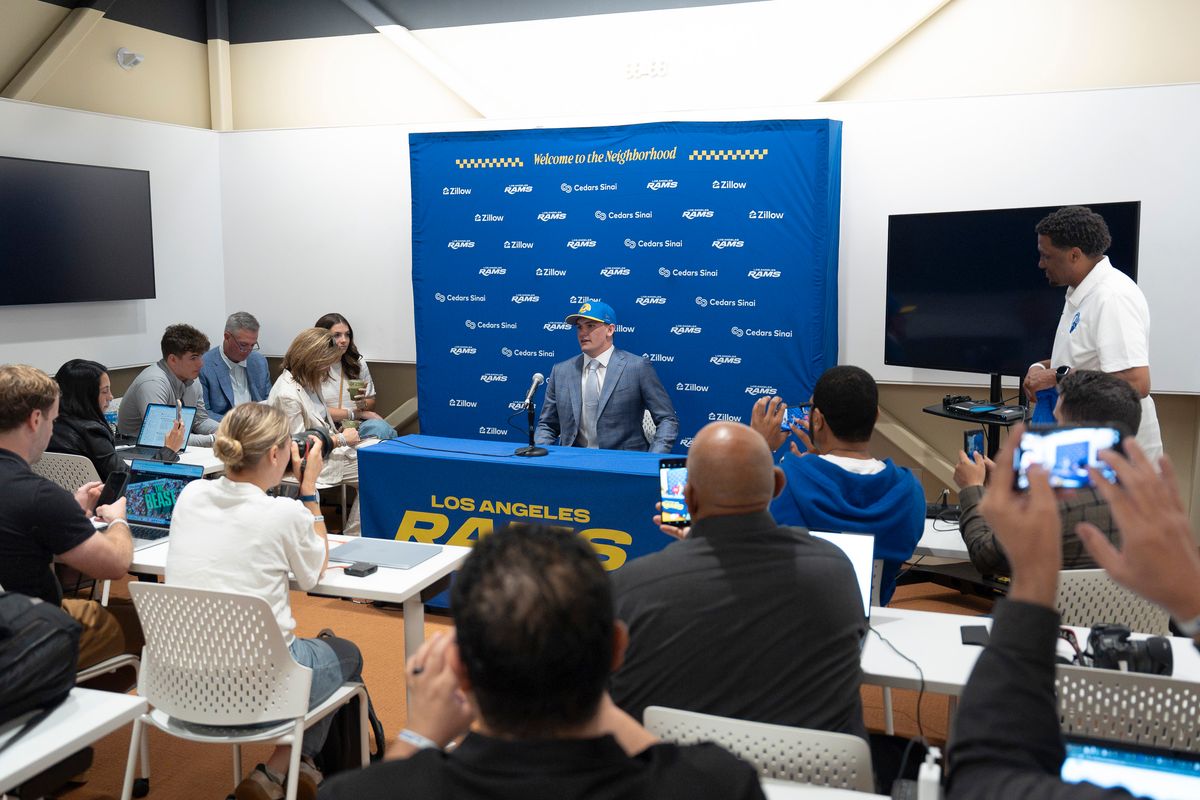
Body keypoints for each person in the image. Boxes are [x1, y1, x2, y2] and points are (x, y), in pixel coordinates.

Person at [318, 524, 765, 800]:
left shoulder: (364, 792)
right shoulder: (717, 784)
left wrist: (420, 734)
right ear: (616, 649)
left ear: (460, 668)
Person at [946, 429, 1200, 798]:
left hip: (1043, 676)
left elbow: (983, 779)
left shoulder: (1056, 508)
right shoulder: (1133, 514)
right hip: (1135, 681)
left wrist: (1033, 574)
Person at [610, 421, 867, 739]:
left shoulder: (630, 588)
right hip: (814, 781)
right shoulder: (835, 570)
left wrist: (693, 552)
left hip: (680, 778)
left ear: (688, 498)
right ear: (777, 484)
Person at [167, 403, 363, 800]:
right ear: (275, 454)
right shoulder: (284, 513)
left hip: (179, 683)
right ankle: (283, 766)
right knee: (347, 654)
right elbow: (313, 572)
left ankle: (291, 770)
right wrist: (309, 491)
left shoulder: (190, 494)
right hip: (261, 684)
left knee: (305, 648)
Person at [0, 364, 141, 669]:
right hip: (29, 636)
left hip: (14, 620)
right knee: (140, 623)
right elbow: (115, 564)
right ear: (35, 420)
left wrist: (69, 509)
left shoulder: (42, 500)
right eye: (53, 420)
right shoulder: (38, 496)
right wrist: (118, 519)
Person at [751, 366, 924, 605]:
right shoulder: (910, 492)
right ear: (875, 416)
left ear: (818, 420)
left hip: (795, 625)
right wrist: (817, 465)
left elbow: (735, 534)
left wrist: (757, 446)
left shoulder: (786, 481)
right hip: (870, 625)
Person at [953, 370, 1136, 576]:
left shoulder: (1054, 507)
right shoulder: (1150, 500)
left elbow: (985, 557)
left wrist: (972, 488)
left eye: (1057, 421)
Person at [1022, 205, 1162, 462]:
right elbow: (1083, 357)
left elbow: (1137, 382)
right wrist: (1039, 368)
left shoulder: (1112, 297)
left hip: (1119, 454)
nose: (1040, 263)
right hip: (1089, 442)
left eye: (1047, 256)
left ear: (1074, 255)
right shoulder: (1080, 292)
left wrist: (1056, 377)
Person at [535, 301, 678, 453]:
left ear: (610, 330)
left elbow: (667, 420)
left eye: (590, 326)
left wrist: (651, 461)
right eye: (579, 327)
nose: (583, 333)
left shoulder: (637, 367)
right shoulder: (561, 371)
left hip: (623, 464)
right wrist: (543, 457)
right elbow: (547, 425)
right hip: (572, 463)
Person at [268, 328, 362, 534]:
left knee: (377, 473)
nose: (329, 369)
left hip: (329, 453)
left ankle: (354, 535)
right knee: (373, 476)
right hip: (305, 464)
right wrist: (341, 439)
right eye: (326, 363)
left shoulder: (308, 382)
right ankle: (354, 537)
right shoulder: (287, 394)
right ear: (311, 361)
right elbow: (299, 447)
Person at [48, 358, 183, 479]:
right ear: (86, 395)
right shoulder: (92, 432)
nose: (111, 397)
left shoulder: (48, 428)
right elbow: (130, 479)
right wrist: (169, 450)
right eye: (105, 391)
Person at [118, 323, 220, 446]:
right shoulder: (153, 383)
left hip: (174, 446)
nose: (200, 364)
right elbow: (163, 437)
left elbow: (200, 421)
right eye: (193, 358)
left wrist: (226, 431)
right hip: (135, 448)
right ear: (172, 359)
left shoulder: (192, 378)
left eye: (200, 357)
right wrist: (213, 439)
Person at [314, 313, 395, 441]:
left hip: (356, 425)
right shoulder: (313, 366)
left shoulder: (357, 364)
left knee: (381, 428)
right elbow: (313, 410)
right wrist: (357, 413)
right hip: (325, 425)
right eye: (337, 335)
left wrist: (362, 404)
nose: (344, 340)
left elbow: (371, 401)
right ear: (322, 338)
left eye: (347, 334)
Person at [200, 311, 272, 421]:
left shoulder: (259, 362)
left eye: (252, 345)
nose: (248, 350)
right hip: (226, 428)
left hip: (258, 426)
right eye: (243, 345)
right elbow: (204, 414)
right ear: (227, 337)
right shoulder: (204, 365)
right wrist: (237, 424)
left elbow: (269, 401)